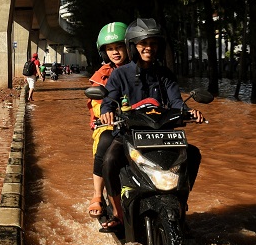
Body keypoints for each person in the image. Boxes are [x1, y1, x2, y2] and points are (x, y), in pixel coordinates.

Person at [98, 18, 205, 229]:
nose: (148, 48)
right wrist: (107, 112)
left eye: (153, 43)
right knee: (110, 160)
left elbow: (176, 101)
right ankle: (118, 212)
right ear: (133, 46)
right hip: (129, 134)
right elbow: (109, 100)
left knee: (193, 154)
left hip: (163, 135)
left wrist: (188, 112)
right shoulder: (120, 74)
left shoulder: (165, 75)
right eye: (143, 44)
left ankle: (180, 203)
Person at [87, 22, 129, 231]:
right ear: (104, 52)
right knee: (104, 143)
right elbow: (96, 103)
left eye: (119, 46)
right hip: (112, 124)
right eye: (110, 48)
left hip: (141, 123)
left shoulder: (142, 69)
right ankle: (97, 195)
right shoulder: (103, 74)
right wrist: (105, 113)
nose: (115, 52)